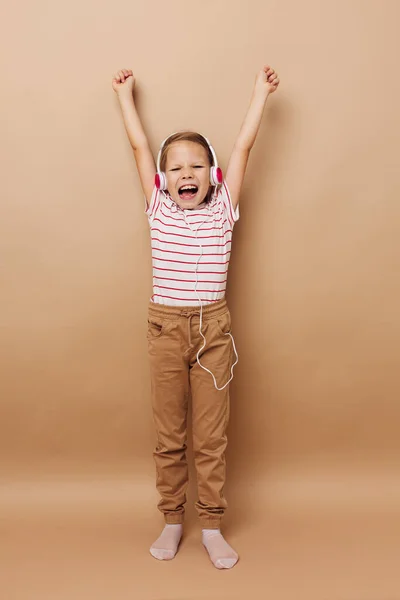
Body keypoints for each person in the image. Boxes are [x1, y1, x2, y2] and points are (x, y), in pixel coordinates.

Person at [112, 65, 280, 569]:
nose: (188, 176)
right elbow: (141, 148)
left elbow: (245, 147)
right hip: (165, 328)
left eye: (198, 167)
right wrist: (125, 97)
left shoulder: (224, 206)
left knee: (210, 437)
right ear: (165, 180)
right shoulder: (158, 208)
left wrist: (261, 94)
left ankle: (210, 525)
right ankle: (170, 518)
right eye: (178, 169)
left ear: (214, 175)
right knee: (170, 435)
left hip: (214, 334)